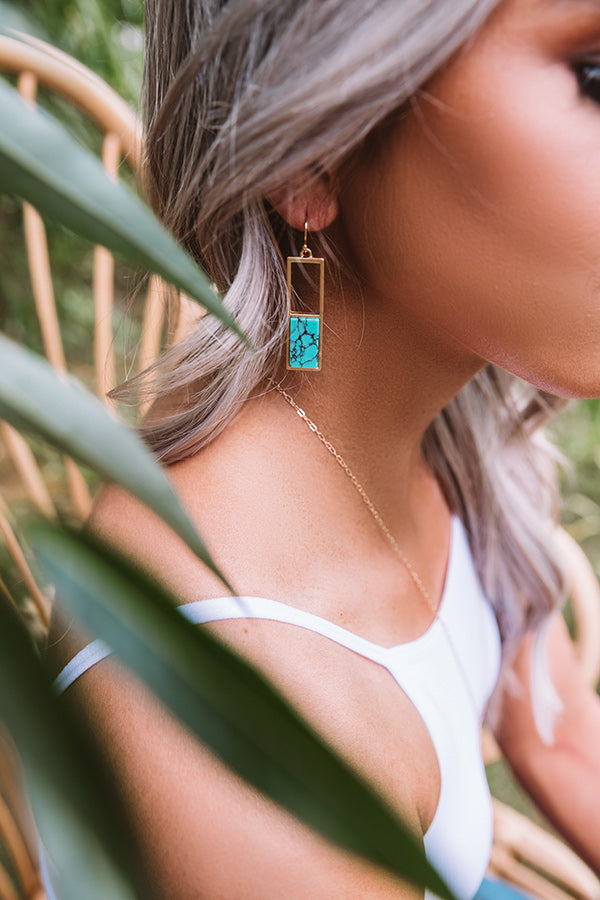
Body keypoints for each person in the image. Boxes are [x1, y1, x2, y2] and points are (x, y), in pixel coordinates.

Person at [46, 0, 600, 897]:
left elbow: (561, 735)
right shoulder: (238, 723)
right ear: (310, 158)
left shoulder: (438, 429)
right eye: (596, 76)